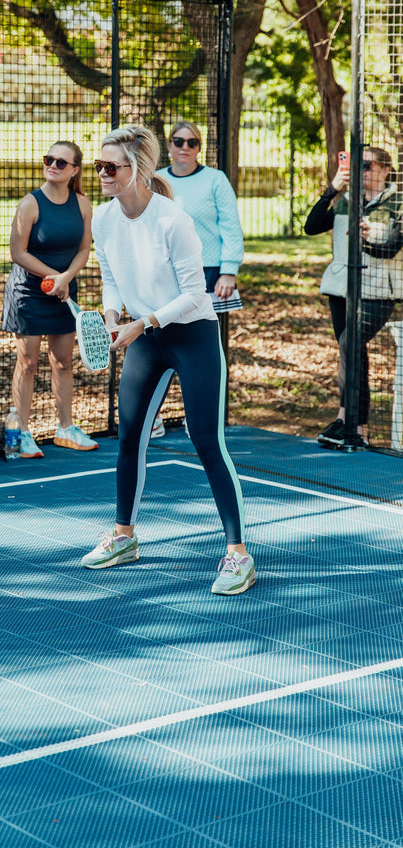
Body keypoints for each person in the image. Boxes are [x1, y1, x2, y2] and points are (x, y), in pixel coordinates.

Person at [82, 125, 254, 594]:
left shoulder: (173, 220)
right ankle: (123, 537)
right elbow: (112, 276)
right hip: (145, 333)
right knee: (130, 434)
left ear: (136, 170)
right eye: (98, 165)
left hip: (191, 333)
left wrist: (143, 322)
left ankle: (238, 554)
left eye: (109, 166)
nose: (101, 173)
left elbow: (195, 294)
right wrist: (114, 314)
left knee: (206, 438)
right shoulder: (102, 218)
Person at [2, 141, 97, 457]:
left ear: (74, 170)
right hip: (29, 293)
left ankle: (65, 428)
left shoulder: (83, 205)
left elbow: (84, 249)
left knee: (64, 362)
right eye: (49, 159)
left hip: (64, 292)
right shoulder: (30, 204)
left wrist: (66, 278)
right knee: (27, 362)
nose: (53, 165)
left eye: (61, 162)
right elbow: (18, 253)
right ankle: (22, 433)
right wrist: (52, 277)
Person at [305, 146, 403, 448]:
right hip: (341, 288)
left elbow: (390, 248)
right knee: (353, 352)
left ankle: (343, 420)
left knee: (349, 343)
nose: (362, 171)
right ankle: (359, 432)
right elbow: (311, 226)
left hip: (379, 291)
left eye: (368, 165)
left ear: (385, 169)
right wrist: (333, 188)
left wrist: (366, 237)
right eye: (357, 165)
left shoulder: (399, 202)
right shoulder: (347, 200)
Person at [152, 120, 244, 439]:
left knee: (204, 349)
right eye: (179, 141)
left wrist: (229, 269)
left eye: (193, 143)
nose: (185, 148)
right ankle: (152, 418)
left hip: (209, 273)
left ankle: (203, 420)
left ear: (199, 148)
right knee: (160, 342)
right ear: (169, 146)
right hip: (166, 273)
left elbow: (230, 226)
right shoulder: (156, 179)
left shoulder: (215, 180)